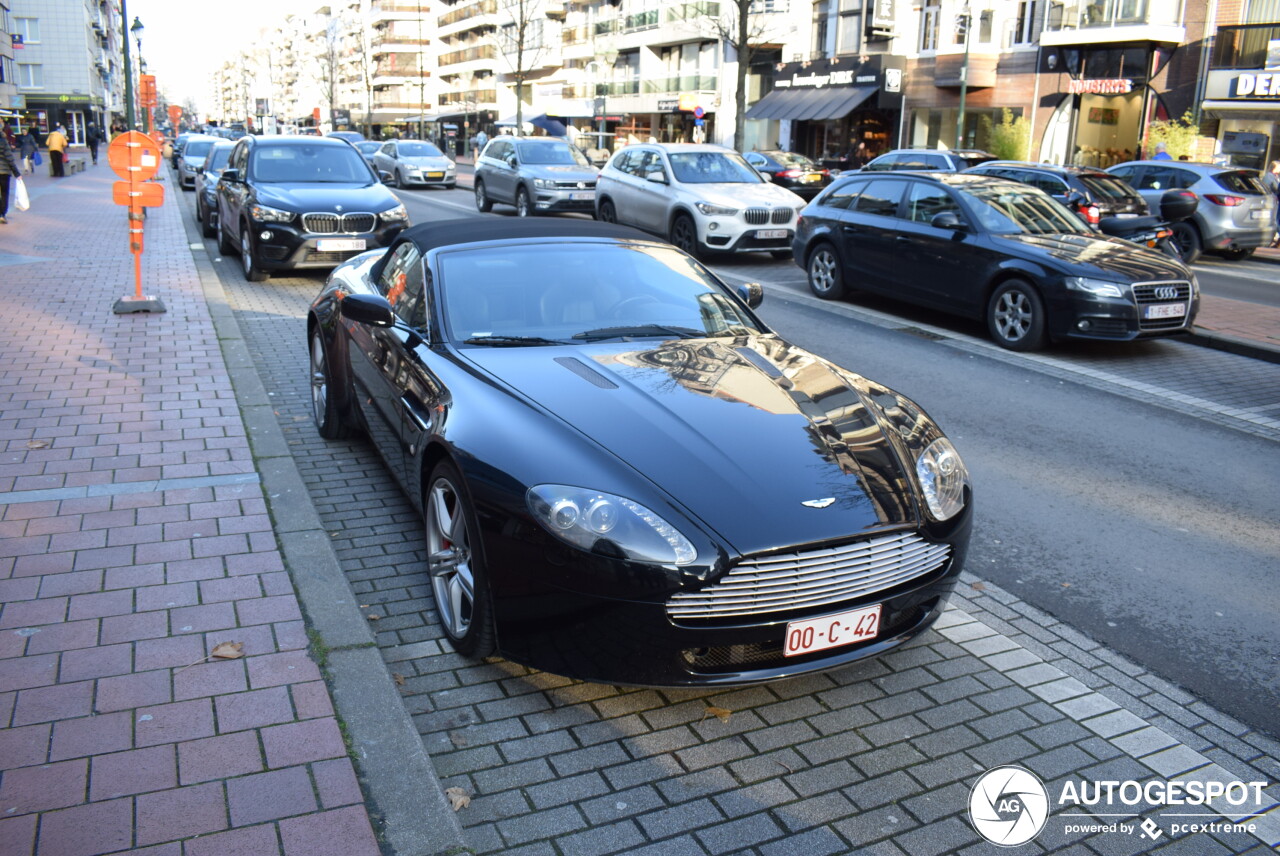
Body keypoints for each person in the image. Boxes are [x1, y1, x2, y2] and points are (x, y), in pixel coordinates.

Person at [0, 128, 20, 224]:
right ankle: (2, 214)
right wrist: (16, 172)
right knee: (4, 193)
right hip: (4, 172)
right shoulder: (3, 142)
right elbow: (9, 158)